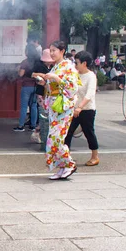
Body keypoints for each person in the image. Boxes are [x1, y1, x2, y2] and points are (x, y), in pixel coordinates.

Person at [34, 40, 80, 180]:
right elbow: (52, 86)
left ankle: (69, 164)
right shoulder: (55, 67)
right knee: (52, 138)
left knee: (56, 137)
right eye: (51, 50)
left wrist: (56, 78)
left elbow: (73, 87)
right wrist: (44, 81)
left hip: (63, 107)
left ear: (62, 51)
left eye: (54, 50)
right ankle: (62, 167)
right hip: (55, 107)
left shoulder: (68, 66)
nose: (52, 53)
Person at [65, 50, 99, 166]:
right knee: (68, 132)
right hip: (74, 109)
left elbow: (89, 94)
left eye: (77, 63)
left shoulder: (91, 76)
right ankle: (66, 156)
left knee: (88, 132)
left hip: (87, 109)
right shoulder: (75, 74)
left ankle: (95, 156)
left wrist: (80, 107)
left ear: (84, 63)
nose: (75, 65)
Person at [13, 48, 40, 141]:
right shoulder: (38, 62)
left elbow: (21, 74)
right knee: (34, 105)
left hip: (26, 86)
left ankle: (21, 126)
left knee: (24, 106)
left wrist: (18, 70)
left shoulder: (25, 62)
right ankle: (33, 125)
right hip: (36, 85)